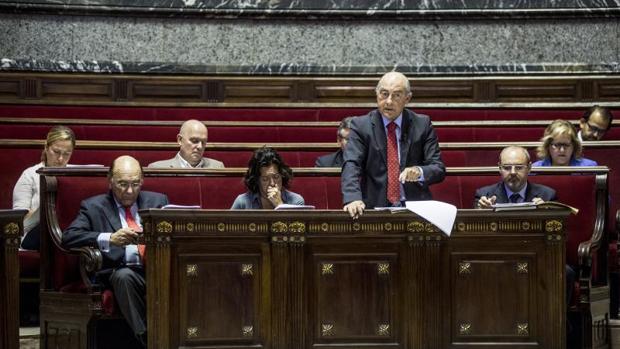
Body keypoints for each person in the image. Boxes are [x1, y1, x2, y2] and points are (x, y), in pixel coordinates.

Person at [62, 156, 169, 348]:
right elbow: (69, 237)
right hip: (119, 272)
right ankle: (149, 340)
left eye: (135, 184)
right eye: (123, 184)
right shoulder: (93, 206)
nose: (130, 191)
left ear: (142, 181)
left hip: (156, 269)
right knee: (124, 277)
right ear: (110, 181)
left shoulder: (158, 201)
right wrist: (108, 238)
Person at [474, 146, 575, 307]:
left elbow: (560, 236)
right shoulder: (483, 196)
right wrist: (481, 213)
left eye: (519, 167)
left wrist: (547, 214)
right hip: (498, 258)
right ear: (499, 168)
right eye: (507, 168)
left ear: (529, 167)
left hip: (537, 257)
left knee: (565, 272)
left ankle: (558, 327)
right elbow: (475, 238)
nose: (512, 172)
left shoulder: (547, 195)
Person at [341, 71, 445, 218]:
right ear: (376, 95)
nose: (389, 101)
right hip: (374, 208)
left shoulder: (422, 124)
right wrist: (352, 198)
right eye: (384, 94)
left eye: (396, 95)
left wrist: (419, 171)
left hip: (415, 209)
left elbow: (438, 168)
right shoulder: (361, 125)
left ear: (407, 98)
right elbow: (352, 163)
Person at [13, 125, 75, 250]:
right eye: (56, 152)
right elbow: (18, 220)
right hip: (34, 234)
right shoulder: (29, 175)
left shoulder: (75, 175)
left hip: (68, 229)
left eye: (66, 154)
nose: (61, 159)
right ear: (46, 148)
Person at [231, 147, 304, 209]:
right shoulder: (242, 202)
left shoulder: (296, 201)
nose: (272, 183)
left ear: (282, 176)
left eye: (276, 177)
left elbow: (295, 226)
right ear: (257, 180)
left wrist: (280, 205)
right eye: (265, 179)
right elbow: (228, 225)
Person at [147, 119, 224, 168]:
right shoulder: (157, 168)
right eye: (194, 141)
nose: (200, 147)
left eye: (203, 142)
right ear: (180, 140)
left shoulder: (218, 167)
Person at [532, 119, 597, 167]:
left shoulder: (589, 167)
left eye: (566, 145)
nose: (562, 150)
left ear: (574, 146)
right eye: (557, 145)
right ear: (547, 146)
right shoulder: (536, 169)